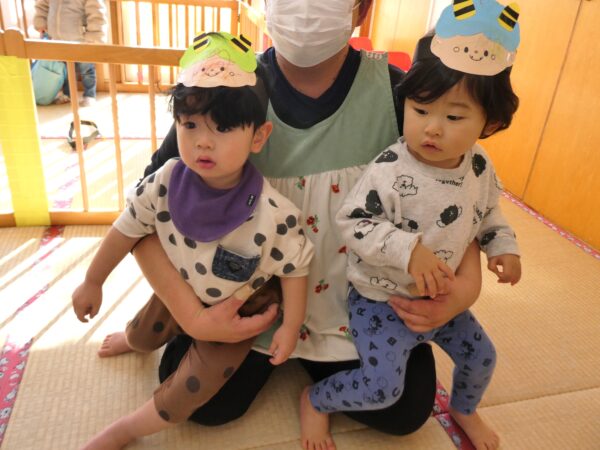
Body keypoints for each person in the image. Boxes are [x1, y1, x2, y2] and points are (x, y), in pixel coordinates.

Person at [128, 0, 484, 442]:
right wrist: (193, 317)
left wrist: (466, 288)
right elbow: (142, 217)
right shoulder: (229, 88)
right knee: (205, 405)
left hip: (359, 305)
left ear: (360, 9)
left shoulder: (398, 94)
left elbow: (459, 190)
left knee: (405, 410)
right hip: (249, 302)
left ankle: (320, 377)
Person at [71, 31, 314, 450]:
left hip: (235, 317)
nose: (203, 140)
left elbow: (296, 267)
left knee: (190, 391)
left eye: (223, 128)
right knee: (143, 333)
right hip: (179, 289)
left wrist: (291, 326)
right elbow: (126, 228)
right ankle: (133, 341)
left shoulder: (273, 212)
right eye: (189, 124)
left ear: (258, 137)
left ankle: (126, 429)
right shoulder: (164, 181)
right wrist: (93, 280)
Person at [300, 1, 523, 449]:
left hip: (442, 300)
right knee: (383, 389)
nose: (431, 129)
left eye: (453, 117)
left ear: (491, 122)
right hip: (381, 302)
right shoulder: (391, 167)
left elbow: (488, 213)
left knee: (482, 357)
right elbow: (354, 222)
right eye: (420, 110)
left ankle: (463, 408)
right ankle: (317, 400)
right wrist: (408, 250)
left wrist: (503, 246)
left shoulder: (479, 166)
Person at [33, 0, 107, 106]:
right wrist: (41, 23)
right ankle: (68, 94)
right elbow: (42, 5)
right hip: (58, 38)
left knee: (86, 68)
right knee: (66, 69)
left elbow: (96, 11)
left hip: (82, 38)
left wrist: (94, 34)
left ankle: (90, 94)